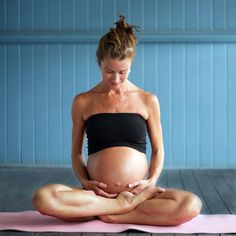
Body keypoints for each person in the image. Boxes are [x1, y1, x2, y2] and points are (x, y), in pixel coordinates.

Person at [32, 16, 202, 226]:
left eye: (122, 72)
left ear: (131, 66)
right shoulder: (83, 102)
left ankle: (117, 211)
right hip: (96, 197)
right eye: (108, 72)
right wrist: (85, 182)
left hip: (137, 196)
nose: (115, 79)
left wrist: (150, 183)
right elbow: (76, 153)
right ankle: (116, 208)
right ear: (99, 63)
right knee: (43, 197)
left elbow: (159, 150)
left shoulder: (147, 100)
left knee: (191, 204)